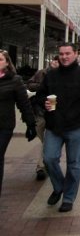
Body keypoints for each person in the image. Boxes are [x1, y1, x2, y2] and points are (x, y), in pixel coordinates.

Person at [32, 42, 80, 213]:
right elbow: (39, 96)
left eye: (68, 53)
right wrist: (45, 103)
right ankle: (59, 185)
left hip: (76, 127)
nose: (64, 57)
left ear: (76, 54)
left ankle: (68, 198)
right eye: (61, 54)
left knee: (74, 164)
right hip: (54, 126)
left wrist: (74, 112)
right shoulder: (51, 75)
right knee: (49, 158)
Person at [0, 49, 37, 198]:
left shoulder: (14, 80)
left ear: (7, 63)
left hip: (4, 125)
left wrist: (30, 124)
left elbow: (24, 103)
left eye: (0, 60)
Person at [26, 55, 60, 181]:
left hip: (53, 113)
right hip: (39, 112)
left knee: (47, 140)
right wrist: (42, 86)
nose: (56, 63)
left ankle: (41, 167)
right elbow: (30, 84)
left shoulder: (61, 75)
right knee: (43, 139)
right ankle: (45, 164)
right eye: (55, 60)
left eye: (58, 61)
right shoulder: (42, 73)